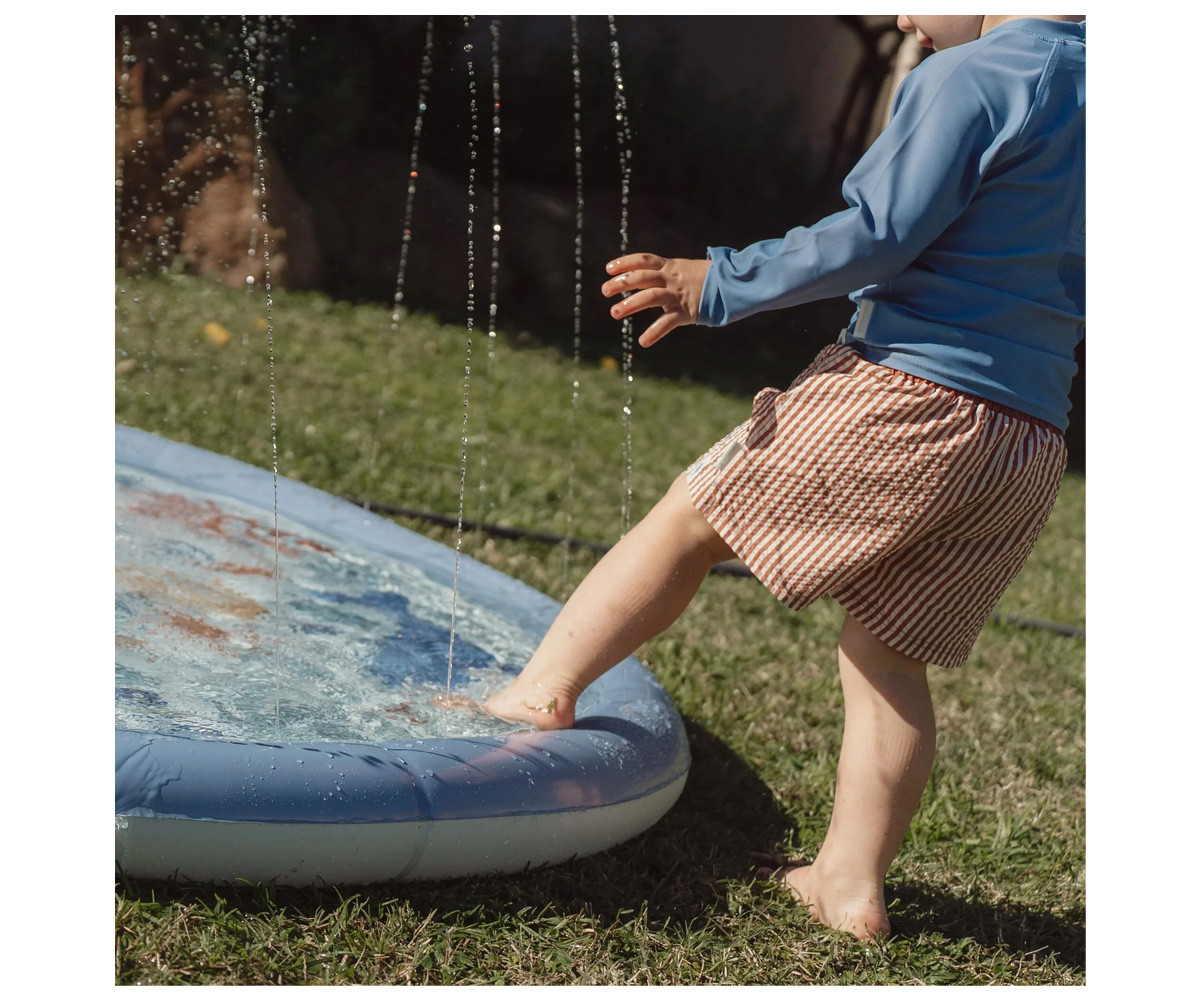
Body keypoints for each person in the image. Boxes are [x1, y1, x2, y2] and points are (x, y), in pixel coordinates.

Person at [478, 15, 1085, 940]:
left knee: (690, 520)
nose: (900, 19)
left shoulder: (976, 76)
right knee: (887, 654)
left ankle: (540, 692)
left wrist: (719, 281)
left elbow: (879, 233)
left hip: (909, 393)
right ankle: (848, 882)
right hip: (1029, 437)